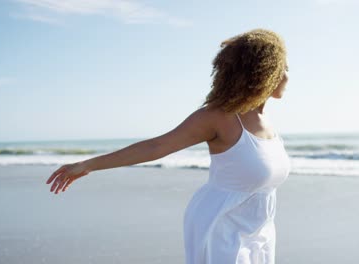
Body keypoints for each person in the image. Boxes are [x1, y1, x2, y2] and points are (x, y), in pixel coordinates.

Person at [46, 28, 290, 264]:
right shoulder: (218, 117)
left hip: (259, 230)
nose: (287, 76)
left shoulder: (267, 123)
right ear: (263, 72)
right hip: (220, 226)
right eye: (283, 69)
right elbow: (156, 147)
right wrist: (87, 165)